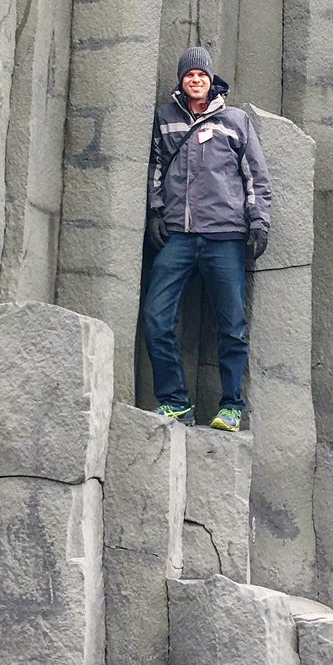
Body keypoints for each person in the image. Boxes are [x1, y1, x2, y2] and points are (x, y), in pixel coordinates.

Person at [143, 46, 271, 432]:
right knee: (155, 316)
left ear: (211, 80)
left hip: (224, 236)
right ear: (181, 81)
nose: (195, 80)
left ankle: (231, 406)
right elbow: (155, 168)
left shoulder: (235, 120)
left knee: (231, 325)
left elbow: (256, 176)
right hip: (178, 236)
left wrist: (259, 221)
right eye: (188, 75)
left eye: (201, 75)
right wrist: (154, 212)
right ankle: (175, 401)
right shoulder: (165, 120)